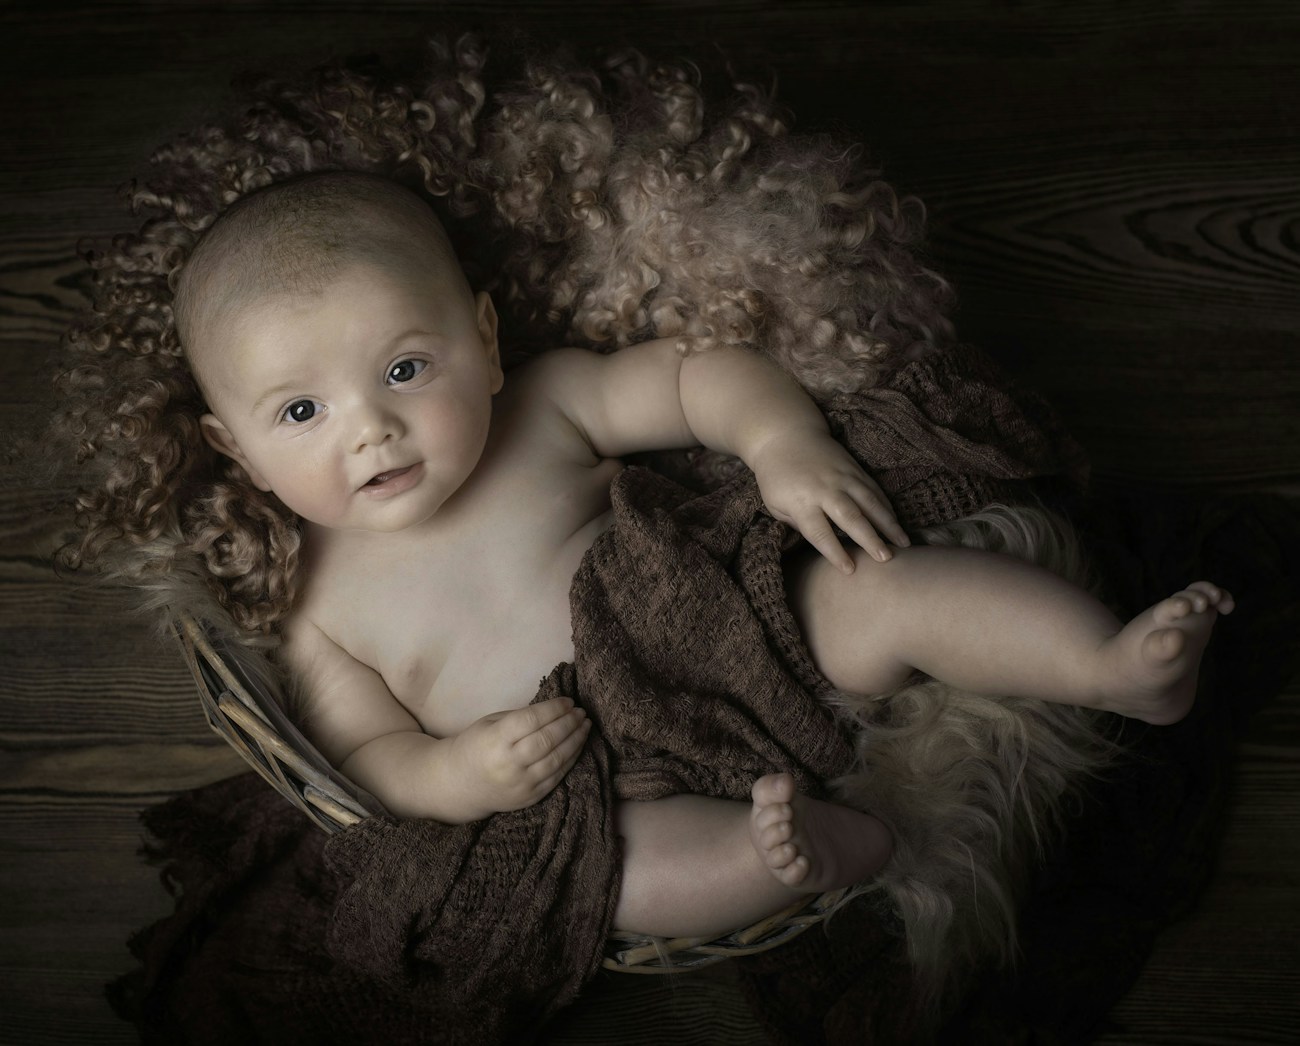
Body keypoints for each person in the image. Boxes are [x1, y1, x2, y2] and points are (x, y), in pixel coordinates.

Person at [171, 169, 1232, 940]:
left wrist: (783, 446)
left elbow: (691, 374)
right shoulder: (314, 607)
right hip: (607, 773)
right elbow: (364, 761)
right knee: (617, 882)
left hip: (739, 622)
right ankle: (814, 850)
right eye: (302, 410)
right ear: (240, 451)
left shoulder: (542, 406)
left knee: (883, 588)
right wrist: (455, 770)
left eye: (406, 367)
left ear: (485, 342)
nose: (370, 430)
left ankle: (1108, 667)